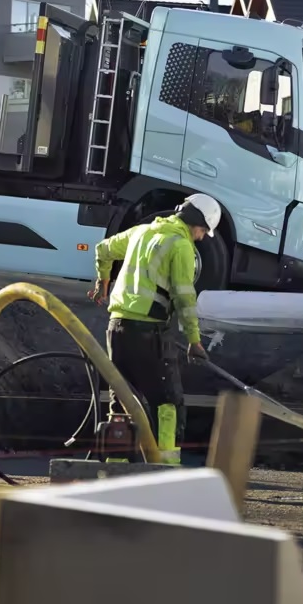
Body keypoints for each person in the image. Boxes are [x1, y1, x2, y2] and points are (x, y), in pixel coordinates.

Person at [89, 194, 221, 465]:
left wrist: (103, 281)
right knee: (168, 403)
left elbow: (102, 249)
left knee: (123, 401)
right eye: (204, 230)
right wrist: (194, 341)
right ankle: (165, 469)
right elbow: (184, 298)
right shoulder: (180, 245)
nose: (203, 237)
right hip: (148, 332)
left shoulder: (141, 233)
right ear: (196, 222)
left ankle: (117, 469)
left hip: (116, 328)